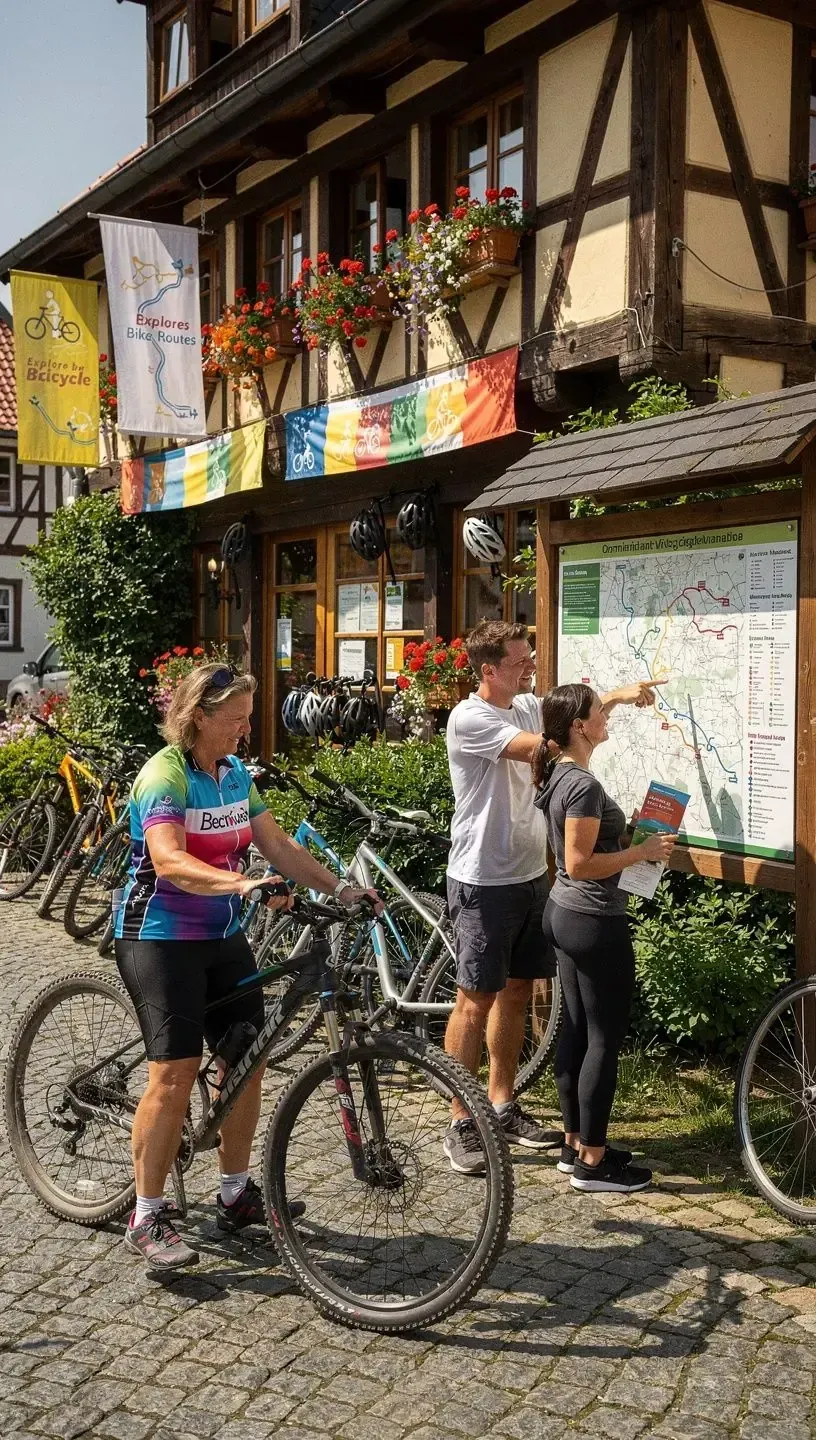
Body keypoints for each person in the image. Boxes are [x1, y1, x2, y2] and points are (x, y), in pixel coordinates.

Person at [114, 662, 380, 1271]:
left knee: (247, 1059)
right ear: (198, 716)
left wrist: (342, 888)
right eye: (235, 718)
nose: (245, 728)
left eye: (248, 717)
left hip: (222, 933)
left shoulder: (234, 774)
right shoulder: (165, 775)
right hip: (159, 934)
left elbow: (277, 845)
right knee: (175, 1072)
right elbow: (168, 860)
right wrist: (242, 884)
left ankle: (234, 1192)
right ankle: (147, 1213)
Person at [533, 682, 676, 1195]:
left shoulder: (557, 773)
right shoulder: (583, 786)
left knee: (575, 1030)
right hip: (592, 920)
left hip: (564, 913)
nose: (606, 717)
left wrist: (625, 834)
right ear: (579, 727)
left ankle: (575, 1143)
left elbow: (581, 850)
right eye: (599, 711)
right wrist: (641, 852)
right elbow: (579, 863)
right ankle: (594, 1163)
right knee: (603, 1039)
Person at [442, 619, 562, 1174]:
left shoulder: (527, 705)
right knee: (475, 1001)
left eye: (530, 657)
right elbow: (541, 748)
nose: (530, 666)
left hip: (531, 874)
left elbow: (562, 717)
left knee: (516, 993)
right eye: (520, 661)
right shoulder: (470, 718)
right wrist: (584, 724)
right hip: (482, 880)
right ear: (488, 670)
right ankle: (460, 1121)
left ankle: (501, 1104)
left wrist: (616, 698)